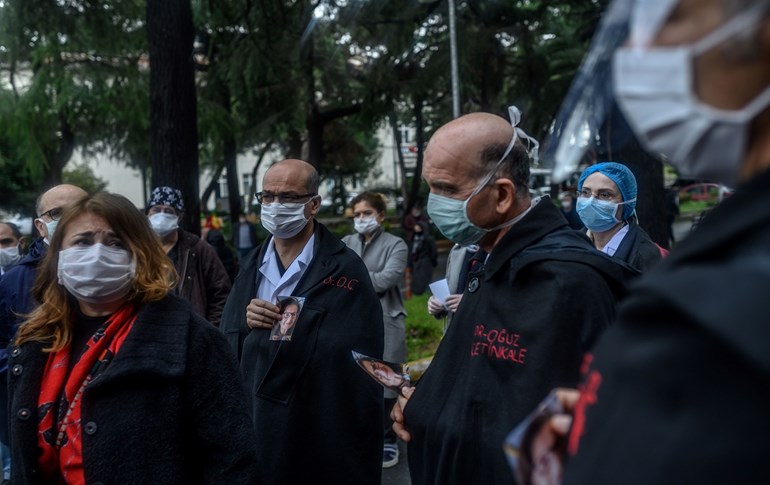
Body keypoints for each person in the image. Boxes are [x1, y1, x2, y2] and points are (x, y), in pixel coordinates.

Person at [536, 1, 770, 483]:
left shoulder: (730, 291)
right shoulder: (732, 249)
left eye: (670, 20)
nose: (636, 53)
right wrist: (616, 411)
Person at [390, 108, 633, 485]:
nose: (433, 204)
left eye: (447, 190)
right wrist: (424, 401)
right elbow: (483, 384)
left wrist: (436, 415)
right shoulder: (491, 259)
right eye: (430, 187)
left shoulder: (567, 282)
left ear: (502, 195)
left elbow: (562, 446)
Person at [7, 192, 259, 484]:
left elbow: (233, 462)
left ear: (140, 254)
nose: (97, 254)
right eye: (82, 241)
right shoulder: (34, 340)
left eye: (115, 242)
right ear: (57, 256)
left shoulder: (193, 340)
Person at [220, 159, 384, 485]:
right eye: (267, 196)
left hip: (315, 422)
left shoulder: (344, 268)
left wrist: (300, 327)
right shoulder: (252, 262)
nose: (276, 206)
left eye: (289, 197)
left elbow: (356, 355)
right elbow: (228, 337)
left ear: (313, 204)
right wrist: (247, 321)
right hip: (259, 419)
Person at [0, 184, 87, 484]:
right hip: (32, 418)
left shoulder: (112, 271)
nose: (69, 218)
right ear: (40, 225)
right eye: (57, 213)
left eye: (79, 209)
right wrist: (25, 360)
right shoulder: (14, 282)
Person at [342, 191, 408, 469]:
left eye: (366, 213)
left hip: (386, 320)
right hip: (349, 321)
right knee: (353, 379)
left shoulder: (396, 244)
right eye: (357, 214)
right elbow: (330, 275)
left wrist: (349, 278)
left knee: (387, 380)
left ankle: (388, 439)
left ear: (380, 216)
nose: (361, 219)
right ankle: (360, 436)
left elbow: (387, 279)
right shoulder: (346, 242)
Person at [146, 186, 231, 326]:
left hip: (190, 334)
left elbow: (221, 293)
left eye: (168, 211)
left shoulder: (198, 249)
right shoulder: (139, 250)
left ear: (180, 216)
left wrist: (208, 331)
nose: (161, 215)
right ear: (147, 214)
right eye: (156, 210)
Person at [576, 162, 663, 272]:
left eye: (604, 195)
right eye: (585, 192)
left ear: (626, 203)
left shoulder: (645, 257)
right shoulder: (572, 245)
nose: (590, 202)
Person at [426, 243, 481, 332]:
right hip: (456, 333)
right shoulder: (458, 249)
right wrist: (437, 304)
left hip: (486, 336)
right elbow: (450, 289)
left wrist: (470, 302)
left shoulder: (503, 250)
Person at [408, 221, 437, 295]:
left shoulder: (428, 238)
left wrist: (433, 261)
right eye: (416, 228)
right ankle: (418, 292)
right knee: (417, 278)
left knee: (425, 278)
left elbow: (433, 251)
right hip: (417, 261)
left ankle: (425, 293)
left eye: (419, 228)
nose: (417, 230)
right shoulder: (414, 238)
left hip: (426, 261)